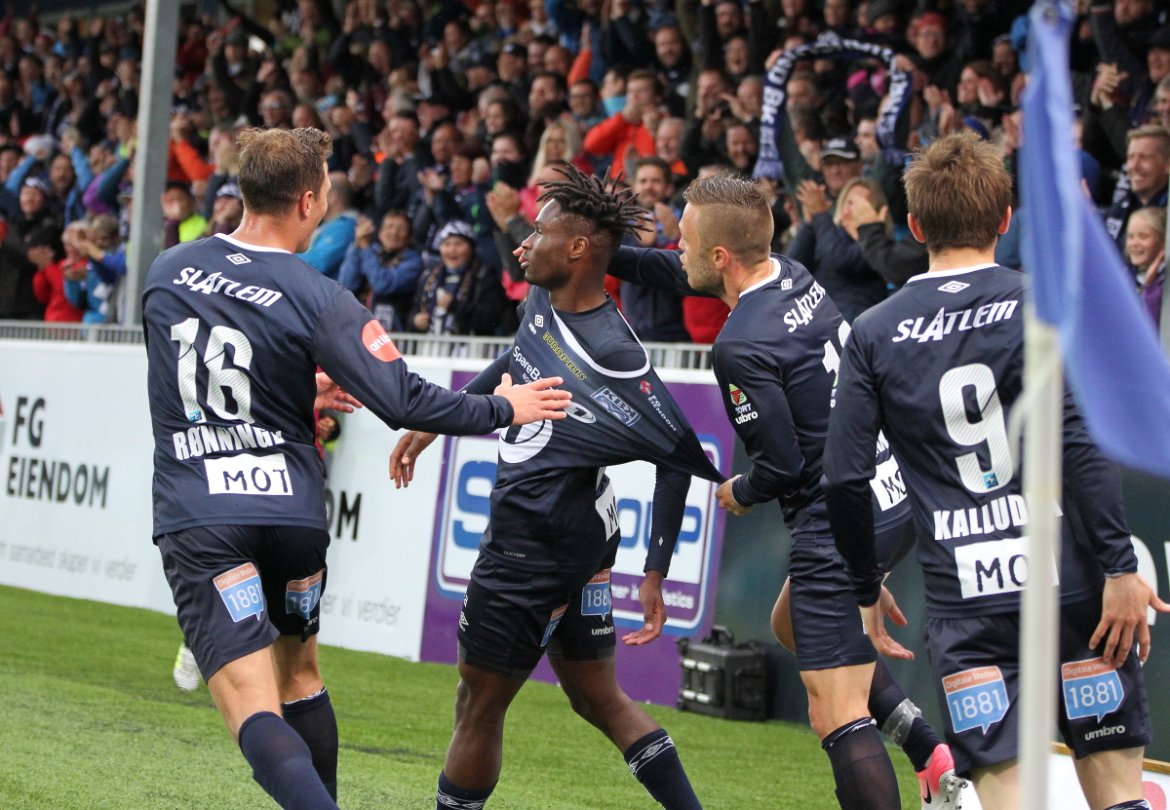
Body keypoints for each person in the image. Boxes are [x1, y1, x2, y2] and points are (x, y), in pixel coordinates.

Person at [142, 126, 572, 810]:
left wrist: (288, 389)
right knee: (300, 674)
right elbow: (404, 401)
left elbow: (196, 375)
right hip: (291, 517)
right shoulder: (320, 295)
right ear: (308, 201)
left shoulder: (169, 268)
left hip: (205, 513)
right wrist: (503, 406)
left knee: (252, 705)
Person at [823, 131, 1168, 810]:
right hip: (1073, 589)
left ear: (914, 225)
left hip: (967, 605)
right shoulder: (1046, 306)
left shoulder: (874, 331)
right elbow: (1081, 444)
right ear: (1006, 218)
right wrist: (1120, 566)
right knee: (1119, 792)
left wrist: (866, 584)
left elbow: (843, 479)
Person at [607, 173, 964, 810]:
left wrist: (741, 490)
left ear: (721, 257)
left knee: (835, 713)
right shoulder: (793, 274)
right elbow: (673, 271)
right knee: (789, 622)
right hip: (890, 492)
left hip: (837, 516)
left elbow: (782, 465)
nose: (676, 249)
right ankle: (930, 755)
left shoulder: (739, 345)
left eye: (684, 240)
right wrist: (608, 252)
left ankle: (934, 772)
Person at [389, 163, 724, 810]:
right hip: (581, 539)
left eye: (537, 233)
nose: (522, 244)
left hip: (533, 545)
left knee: (478, 702)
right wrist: (441, 419)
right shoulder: (546, 299)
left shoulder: (615, 355)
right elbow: (520, 356)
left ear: (576, 249)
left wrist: (655, 570)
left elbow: (680, 454)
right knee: (597, 696)